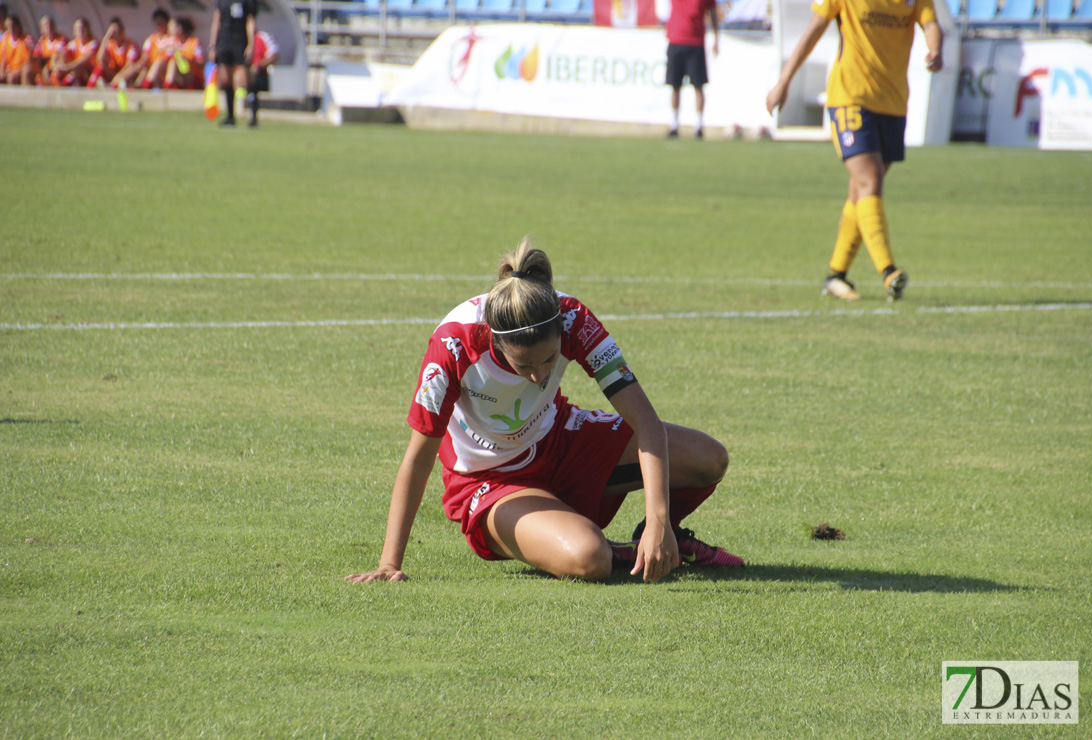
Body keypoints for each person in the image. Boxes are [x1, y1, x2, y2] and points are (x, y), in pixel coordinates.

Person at [345, 240, 744, 585]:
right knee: (591, 559)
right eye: (524, 367)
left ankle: (666, 540)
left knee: (709, 459)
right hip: (490, 483)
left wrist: (658, 519)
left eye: (550, 359)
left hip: (562, 442)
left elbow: (648, 425)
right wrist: (389, 563)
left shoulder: (572, 319)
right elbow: (418, 458)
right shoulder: (453, 345)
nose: (539, 376)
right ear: (497, 345)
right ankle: (626, 552)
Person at [766, 0, 943, 301]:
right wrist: (784, 80)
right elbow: (814, 29)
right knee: (869, 180)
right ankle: (888, 272)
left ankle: (836, 276)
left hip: (893, 101)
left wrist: (936, 49)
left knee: (861, 192)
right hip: (850, 96)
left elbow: (930, 23)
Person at [664, 0, 720, 138]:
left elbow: (712, 12)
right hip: (676, 39)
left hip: (696, 42)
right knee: (675, 85)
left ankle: (699, 125)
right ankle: (674, 124)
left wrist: (716, 37)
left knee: (698, 85)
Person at [208, 0, 256, 127]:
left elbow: (250, 21)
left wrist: (251, 44)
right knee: (225, 79)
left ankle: (253, 117)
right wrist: (212, 45)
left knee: (244, 79)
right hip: (224, 41)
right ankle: (230, 117)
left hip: (240, 41)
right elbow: (216, 22)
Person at [88, 17, 138, 88]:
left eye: (117, 32)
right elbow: (100, 60)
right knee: (100, 67)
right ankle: (89, 88)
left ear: (122, 31)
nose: (116, 35)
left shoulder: (131, 45)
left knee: (132, 68)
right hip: (114, 73)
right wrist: (106, 37)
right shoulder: (110, 44)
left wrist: (117, 77)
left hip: (125, 75)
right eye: (113, 32)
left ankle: (114, 85)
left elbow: (130, 65)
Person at [245, 28, 279, 127]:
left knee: (253, 83)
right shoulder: (240, 38)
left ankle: (253, 118)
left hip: (263, 76)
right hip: (247, 76)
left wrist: (259, 65)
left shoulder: (263, 37)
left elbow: (275, 55)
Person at [52, 17, 98, 87]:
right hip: (78, 70)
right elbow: (60, 53)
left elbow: (84, 60)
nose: (80, 31)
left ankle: (66, 85)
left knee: (79, 68)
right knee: (56, 70)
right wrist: (56, 64)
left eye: (83, 28)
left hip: (91, 71)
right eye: (78, 29)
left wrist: (68, 67)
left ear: (88, 29)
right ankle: (60, 87)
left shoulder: (93, 43)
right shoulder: (74, 43)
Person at [164, 17, 203, 90]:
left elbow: (201, 63)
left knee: (173, 62)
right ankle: (168, 86)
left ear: (180, 29)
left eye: (171, 26)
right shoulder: (172, 42)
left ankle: (167, 87)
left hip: (192, 76)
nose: (169, 29)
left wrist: (186, 59)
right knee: (169, 62)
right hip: (179, 76)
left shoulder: (194, 42)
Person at [31, 15, 66, 86]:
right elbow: (36, 57)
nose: (48, 27)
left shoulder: (61, 39)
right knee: (28, 70)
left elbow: (60, 55)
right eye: (45, 25)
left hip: (57, 67)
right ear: (41, 29)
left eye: (50, 24)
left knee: (47, 71)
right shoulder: (41, 42)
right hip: (44, 68)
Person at [1, 14, 34, 85]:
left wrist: (15, 71)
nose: (11, 28)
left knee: (12, 78)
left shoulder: (27, 39)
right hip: (10, 70)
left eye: (13, 26)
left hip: (22, 69)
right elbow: (3, 59)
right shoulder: (5, 40)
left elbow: (30, 61)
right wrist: (2, 72)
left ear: (18, 26)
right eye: (9, 26)